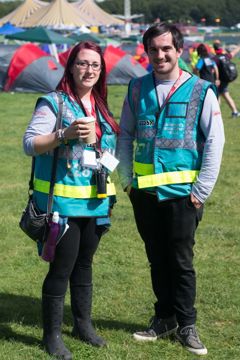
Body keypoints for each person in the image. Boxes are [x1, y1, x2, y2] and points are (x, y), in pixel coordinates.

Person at [117, 22, 225, 356]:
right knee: (157, 258)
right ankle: (164, 318)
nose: (160, 55)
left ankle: (187, 324)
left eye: (166, 48)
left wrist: (200, 192)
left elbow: (215, 142)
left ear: (179, 50)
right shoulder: (136, 89)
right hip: (145, 196)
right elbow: (125, 136)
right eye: (154, 49)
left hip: (183, 197)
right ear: (146, 52)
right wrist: (126, 181)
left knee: (181, 261)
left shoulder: (200, 90)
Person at [23, 41, 119, 360]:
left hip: (95, 203)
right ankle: (51, 336)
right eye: (82, 63)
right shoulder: (54, 103)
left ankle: (83, 326)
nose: (88, 70)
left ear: (101, 70)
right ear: (71, 66)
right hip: (62, 205)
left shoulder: (101, 107)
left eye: (95, 64)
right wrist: (63, 134)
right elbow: (30, 144)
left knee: (85, 266)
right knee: (61, 269)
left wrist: (104, 154)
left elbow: (111, 157)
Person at [213, 40, 240, 117]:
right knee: (224, 95)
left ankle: (217, 114)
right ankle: (234, 112)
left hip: (220, 80)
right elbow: (233, 53)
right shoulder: (226, 56)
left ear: (214, 50)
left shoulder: (215, 58)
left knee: (218, 96)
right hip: (226, 79)